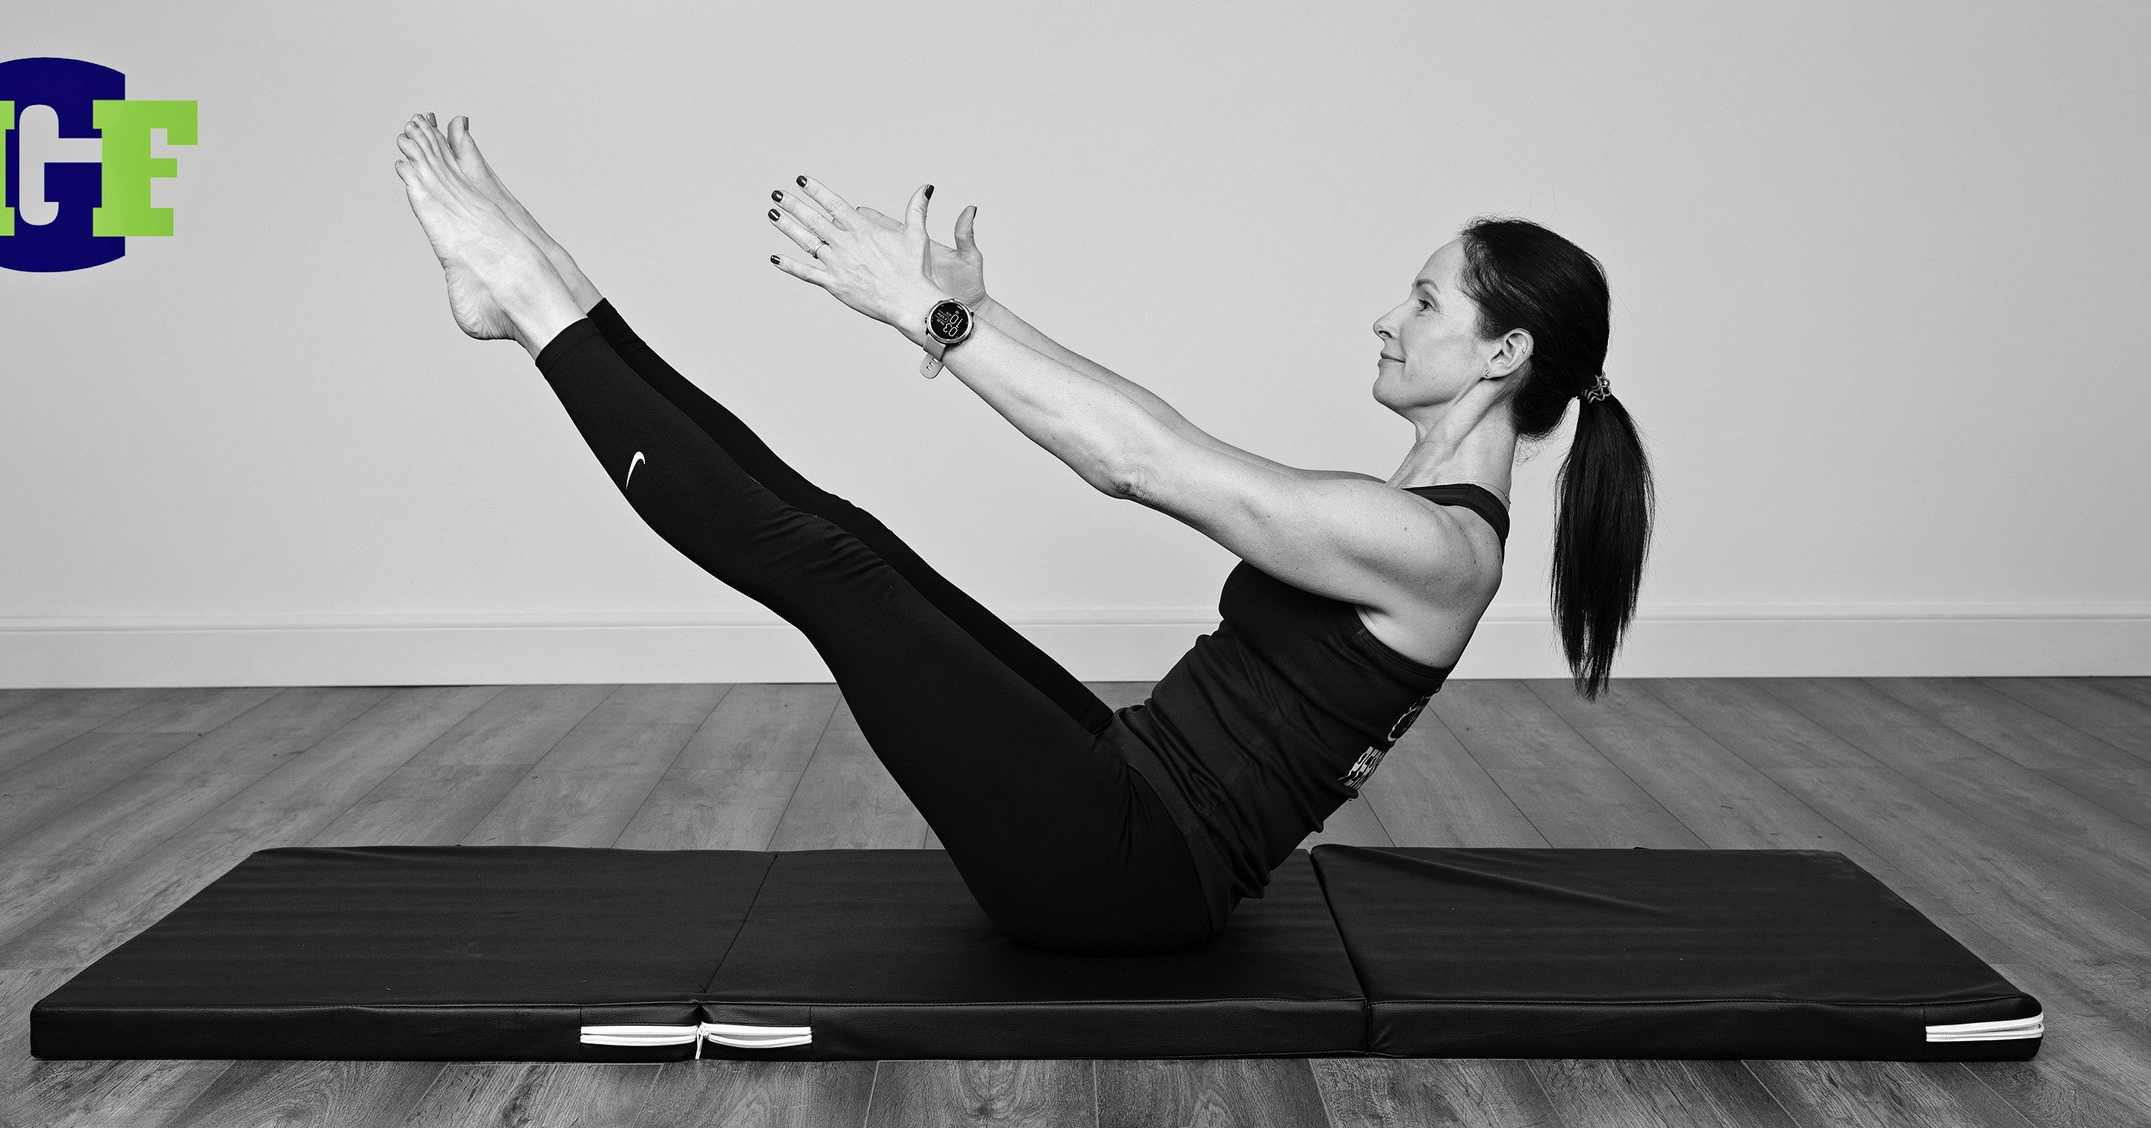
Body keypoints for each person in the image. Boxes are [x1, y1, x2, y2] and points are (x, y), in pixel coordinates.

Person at [391, 113, 1654, 956]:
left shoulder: (1434, 550)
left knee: (827, 569)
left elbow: (1137, 461)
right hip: (1131, 790)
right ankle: (545, 285)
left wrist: (925, 319)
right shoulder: (1418, 518)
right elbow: (1153, 432)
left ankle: (530, 299)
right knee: (849, 542)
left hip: (1128, 874)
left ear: (1503, 352)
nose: (1388, 317)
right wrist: (971, 314)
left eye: (1424, 301)